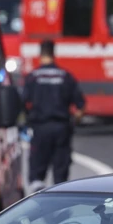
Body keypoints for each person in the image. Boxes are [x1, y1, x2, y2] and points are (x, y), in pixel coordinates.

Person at [23, 39, 85, 189]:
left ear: (40, 54)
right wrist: (73, 123)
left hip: (40, 128)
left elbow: (23, 102)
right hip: (61, 128)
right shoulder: (65, 76)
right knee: (61, 177)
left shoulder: (33, 77)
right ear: (53, 53)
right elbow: (80, 106)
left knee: (37, 175)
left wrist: (26, 122)